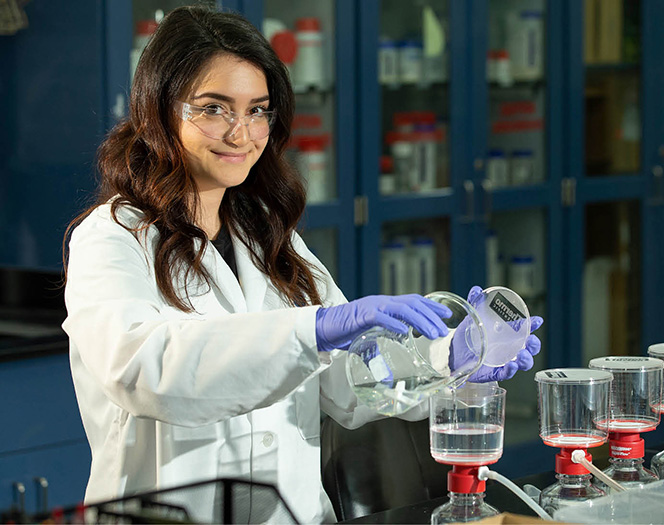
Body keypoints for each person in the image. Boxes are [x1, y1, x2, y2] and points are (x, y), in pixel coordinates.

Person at [60, 6, 542, 523]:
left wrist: (451, 359)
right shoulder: (113, 236)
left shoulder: (265, 233)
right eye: (214, 108)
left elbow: (351, 382)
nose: (241, 133)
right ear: (159, 108)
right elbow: (143, 368)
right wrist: (310, 330)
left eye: (257, 110)